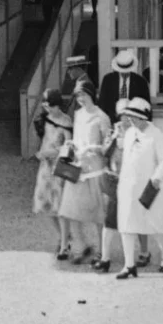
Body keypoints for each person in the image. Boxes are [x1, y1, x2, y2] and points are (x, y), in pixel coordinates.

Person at [114, 98, 163, 279]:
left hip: (149, 187)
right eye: (130, 116)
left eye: (135, 117)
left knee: (156, 223)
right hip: (128, 186)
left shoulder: (156, 134)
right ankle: (129, 266)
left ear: (144, 117)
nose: (132, 120)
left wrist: (157, 178)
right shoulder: (128, 134)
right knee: (126, 225)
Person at [57, 80, 111, 264]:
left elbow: (108, 145)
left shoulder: (101, 117)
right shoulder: (78, 115)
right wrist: (71, 144)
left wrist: (95, 148)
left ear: (91, 94)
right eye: (77, 96)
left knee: (98, 215)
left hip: (94, 171)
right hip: (77, 169)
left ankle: (102, 252)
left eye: (83, 95)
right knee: (70, 210)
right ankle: (80, 247)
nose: (80, 99)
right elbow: (77, 138)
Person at [31, 87, 74, 259]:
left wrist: (55, 152)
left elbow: (70, 146)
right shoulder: (44, 119)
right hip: (45, 166)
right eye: (46, 106)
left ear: (58, 105)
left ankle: (64, 245)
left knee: (60, 206)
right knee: (47, 205)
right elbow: (42, 140)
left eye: (51, 106)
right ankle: (64, 236)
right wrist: (41, 152)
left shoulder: (65, 121)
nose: (48, 110)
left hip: (60, 167)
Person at [93, 97, 133, 274]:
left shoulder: (137, 131)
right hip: (115, 179)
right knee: (110, 220)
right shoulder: (114, 130)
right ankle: (106, 258)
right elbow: (104, 152)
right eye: (122, 113)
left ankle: (152, 254)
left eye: (128, 113)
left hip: (131, 181)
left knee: (135, 221)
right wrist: (114, 138)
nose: (125, 117)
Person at [98, 49, 150, 126]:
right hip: (112, 123)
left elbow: (147, 107)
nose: (124, 73)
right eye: (122, 71)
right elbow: (102, 103)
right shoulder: (108, 80)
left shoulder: (140, 82)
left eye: (127, 71)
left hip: (134, 124)